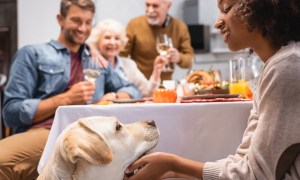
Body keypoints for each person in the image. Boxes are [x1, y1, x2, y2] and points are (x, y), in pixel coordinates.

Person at [125, 0, 300, 179]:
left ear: (258, 7)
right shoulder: (278, 66)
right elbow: (244, 163)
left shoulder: (287, 67)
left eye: (226, 9)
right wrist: (171, 171)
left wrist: (172, 164)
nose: (217, 23)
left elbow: (257, 174)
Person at [0, 0, 141, 179]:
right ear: (60, 19)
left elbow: (133, 89)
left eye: (88, 22)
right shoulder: (32, 53)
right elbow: (10, 112)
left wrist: (111, 95)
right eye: (76, 20)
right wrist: (65, 99)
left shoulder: (96, 60)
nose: (83, 28)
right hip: (49, 131)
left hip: (91, 134)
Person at [89, 19, 168, 97]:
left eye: (117, 38)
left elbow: (147, 92)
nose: (112, 43)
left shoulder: (129, 64)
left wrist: (157, 71)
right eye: (107, 38)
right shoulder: (92, 64)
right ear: (97, 41)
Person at [119, 0, 194, 81]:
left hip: (165, 85)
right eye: (147, 5)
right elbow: (120, 55)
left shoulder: (180, 27)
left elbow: (189, 60)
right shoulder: (134, 24)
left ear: (168, 7)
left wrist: (179, 57)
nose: (150, 10)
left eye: (155, 6)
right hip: (140, 84)